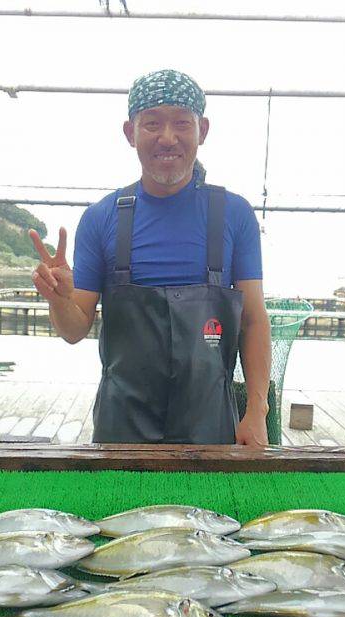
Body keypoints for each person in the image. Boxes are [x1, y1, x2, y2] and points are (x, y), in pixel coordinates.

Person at [30, 68, 271, 446]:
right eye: (153, 124)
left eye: (181, 123)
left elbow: (254, 322)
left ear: (202, 130)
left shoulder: (234, 215)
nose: (168, 138)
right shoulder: (101, 218)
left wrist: (256, 411)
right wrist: (59, 299)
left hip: (210, 426)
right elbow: (74, 329)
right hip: (120, 428)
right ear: (131, 133)